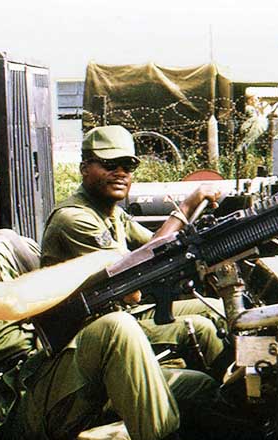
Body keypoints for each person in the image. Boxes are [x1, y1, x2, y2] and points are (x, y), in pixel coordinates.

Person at [0, 137, 227, 440]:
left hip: (37, 374)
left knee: (197, 389)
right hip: (0, 410)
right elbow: (12, 301)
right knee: (114, 331)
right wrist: (102, 260)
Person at [40, 125, 230, 378]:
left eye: (128, 167)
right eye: (110, 164)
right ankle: (224, 401)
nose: (120, 173)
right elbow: (133, 278)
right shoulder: (74, 218)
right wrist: (185, 207)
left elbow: (153, 244)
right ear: (84, 169)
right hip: (89, 331)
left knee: (218, 308)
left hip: (116, 312)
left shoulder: (111, 211)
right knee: (202, 329)